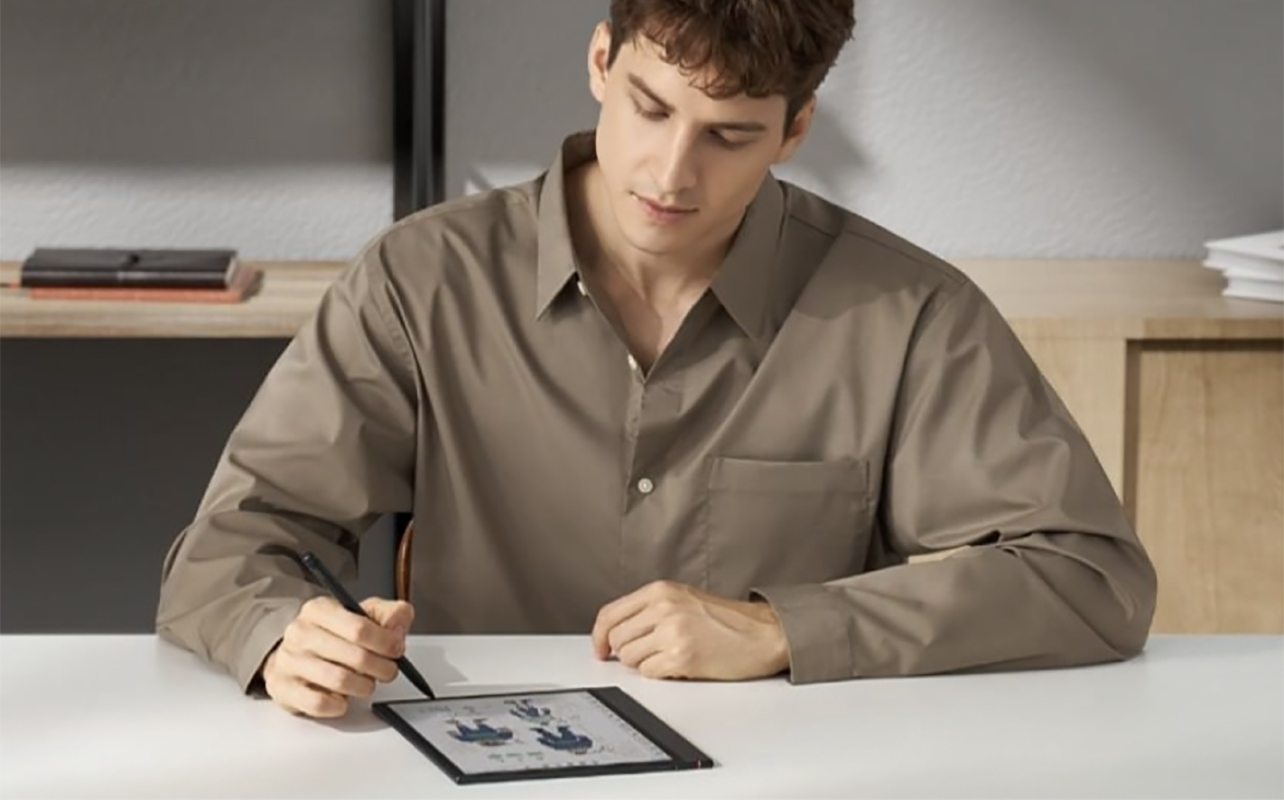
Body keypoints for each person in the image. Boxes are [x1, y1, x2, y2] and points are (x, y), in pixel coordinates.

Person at [156, 0, 1157, 719]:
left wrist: (784, 629)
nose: (672, 173)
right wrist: (285, 632)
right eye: (650, 107)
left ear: (796, 129)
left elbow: (1093, 578)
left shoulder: (905, 310)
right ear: (600, 59)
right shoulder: (422, 281)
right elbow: (223, 549)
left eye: (729, 135)